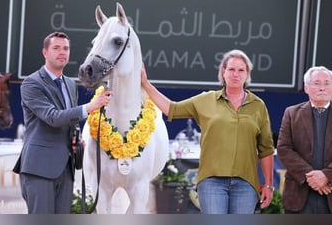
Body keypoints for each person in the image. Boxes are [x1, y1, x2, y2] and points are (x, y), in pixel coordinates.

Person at [141, 49, 274, 214]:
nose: (236, 74)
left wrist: (268, 184)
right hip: (212, 182)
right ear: (223, 72)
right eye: (231, 69)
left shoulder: (258, 105)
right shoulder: (206, 100)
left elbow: (266, 148)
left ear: (247, 75)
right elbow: (171, 108)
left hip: (245, 184)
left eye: (241, 70)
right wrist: (146, 84)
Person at [13, 31, 112, 214]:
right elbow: (53, 117)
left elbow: (70, 120)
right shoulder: (31, 84)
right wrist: (90, 107)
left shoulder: (70, 84)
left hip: (66, 168)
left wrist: (76, 138)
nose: (62, 52)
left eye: (66, 48)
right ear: (45, 52)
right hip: (39, 169)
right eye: (56, 48)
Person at [277, 66, 332, 214]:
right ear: (306, 88)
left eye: (327, 83)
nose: (322, 88)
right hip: (299, 194)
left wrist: (326, 175)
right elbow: (283, 149)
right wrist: (311, 176)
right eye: (317, 83)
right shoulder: (292, 113)